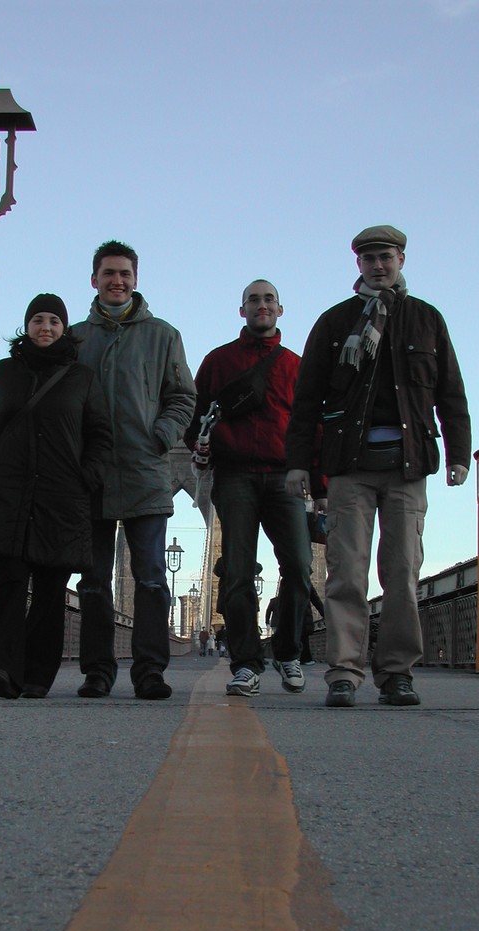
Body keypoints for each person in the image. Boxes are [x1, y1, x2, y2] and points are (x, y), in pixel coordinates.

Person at [286, 225, 471, 707]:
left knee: (403, 571)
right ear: (359, 265)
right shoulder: (334, 322)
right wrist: (299, 464)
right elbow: (306, 400)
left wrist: (458, 453)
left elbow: (450, 391)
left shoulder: (427, 319)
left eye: (385, 256)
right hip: (349, 465)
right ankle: (344, 672)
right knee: (347, 572)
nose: (378, 265)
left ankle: (396, 673)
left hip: (408, 466)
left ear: (402, 259)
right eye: (369, 258)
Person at [0, 294, 112, 700]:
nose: (45, 327)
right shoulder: (2, 372)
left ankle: (36, 675)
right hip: (10, 492)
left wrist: (88, 476)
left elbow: (100, 434)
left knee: (51, 587)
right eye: (37, 320)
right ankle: (1, 669)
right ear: (26, 325)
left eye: (53, 320)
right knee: (11, 580)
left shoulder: (81, 378)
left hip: (62, 495)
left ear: (64, 328)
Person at [71, 240, 196, 700]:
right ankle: (97, 672)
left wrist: (160, 435)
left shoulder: (164, 335)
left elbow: (184, 396)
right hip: (93, 475)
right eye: (108, 273)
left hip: (145, 471)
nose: (116, 281)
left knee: (150, 577)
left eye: (124, 273)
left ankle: (149, 671)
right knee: (94, 580)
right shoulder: (77, 338)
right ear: (95, 280)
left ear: (136, 279)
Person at [185, 279, 320, 697]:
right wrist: (199, 446)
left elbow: (313, 429)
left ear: (280, 309)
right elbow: (194, 418)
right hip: (235, 475)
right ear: (241, 310)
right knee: (238, 572)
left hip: (285, 477)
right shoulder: (217, 361)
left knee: (299, 566)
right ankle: (246, 664)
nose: (261, 306)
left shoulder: (297, 366)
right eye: (253, 300)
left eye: (268, 300)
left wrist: (323, 487)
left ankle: (288, 650)